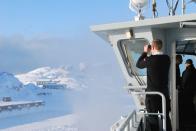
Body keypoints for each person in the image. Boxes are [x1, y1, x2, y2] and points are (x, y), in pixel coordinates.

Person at [136, 39, 172, 131]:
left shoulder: (150, 60)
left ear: (152, 47)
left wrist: (145, 52)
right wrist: (150, 53)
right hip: (164, 93)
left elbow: (138, 64)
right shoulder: (167, 58)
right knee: (166, 117)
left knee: (153, 118)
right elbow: (156, 59)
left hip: (152, 95)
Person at [181, 59, 196, 124]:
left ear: (187, 64)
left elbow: (184, 82)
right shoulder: (195, 71)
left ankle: (188, 119)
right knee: (192, 105)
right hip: (194, 91)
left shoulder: (185, 72)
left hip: (187, 91)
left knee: (187, 105)